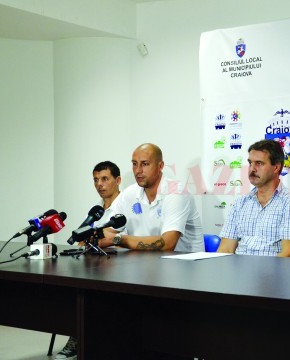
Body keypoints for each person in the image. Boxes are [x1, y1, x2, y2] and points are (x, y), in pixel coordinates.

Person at [55, 161, 122, 360]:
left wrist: (96, 240)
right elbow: (83, 241)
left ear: (117, 180)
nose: (99, 184)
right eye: (95, 180)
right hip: (96, 265)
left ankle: (80, 339)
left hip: (117, 267)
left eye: (105, 179)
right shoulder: (97, 212)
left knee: (86, 293)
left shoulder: (123, 208)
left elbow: (111, 238)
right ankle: (79, 336)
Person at [98, 143, 203, 252]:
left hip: (186, 265)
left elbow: (167, 244)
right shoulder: (128, 194)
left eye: (145, 164)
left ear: (160, 166)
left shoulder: (176, 192)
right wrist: (95, 236)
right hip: (147, 264)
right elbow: (107, 232)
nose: (138, 170)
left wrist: (118, 240)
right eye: (134, 164)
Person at [217, 139, 290, 257]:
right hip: (240, 272)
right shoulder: (241, 202)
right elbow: (226, 249)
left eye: (259, 163)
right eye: (250, 163)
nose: (252, 169)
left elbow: (289, 253)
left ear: (276, 168)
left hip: (274, 273)